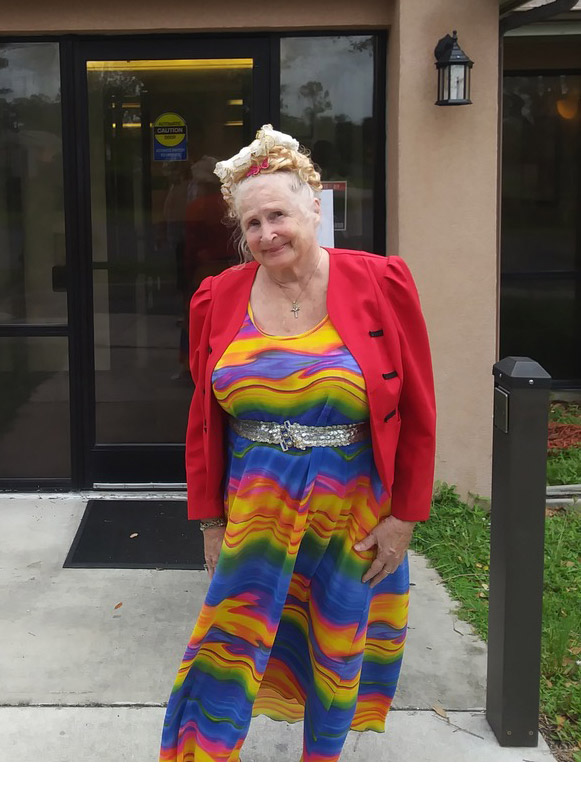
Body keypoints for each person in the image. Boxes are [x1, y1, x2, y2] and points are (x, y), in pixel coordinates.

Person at [159, 125, 436, 763]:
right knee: (224, 650)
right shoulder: (217, 296)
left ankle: (322, 764)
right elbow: (204, 417)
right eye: (251, 224)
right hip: (256, 508)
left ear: (315, 204)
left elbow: (418, 408)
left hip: (353, 512)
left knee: (334, 645)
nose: (266, 234)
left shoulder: (382, 283)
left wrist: (404, 517)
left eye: (278, 214)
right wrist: (208, 519)